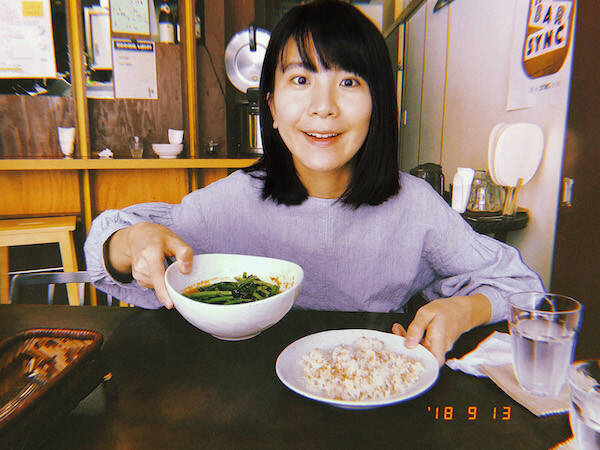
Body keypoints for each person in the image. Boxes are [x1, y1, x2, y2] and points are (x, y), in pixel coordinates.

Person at [84, 0, 543, 365]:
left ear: (378, 105)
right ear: (271, 106)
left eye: (349, 82)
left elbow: (520, 284)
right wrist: (132, 242)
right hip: (251, 396)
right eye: (301, 78)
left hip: (373, 390)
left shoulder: (415, 207)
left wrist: (464, 309)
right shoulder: (232, 202)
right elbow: (102, 252)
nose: (324, 106)